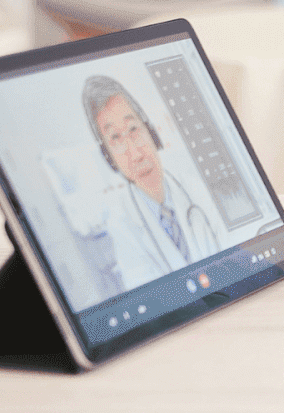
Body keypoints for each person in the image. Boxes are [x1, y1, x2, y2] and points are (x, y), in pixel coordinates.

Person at [82, 75, 221, 292]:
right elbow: (148, 295)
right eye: (116, 139)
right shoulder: (122, 226)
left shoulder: (196, 188)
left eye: (133, 129)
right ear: (108, 157)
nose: (136, 154)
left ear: (151, 131)